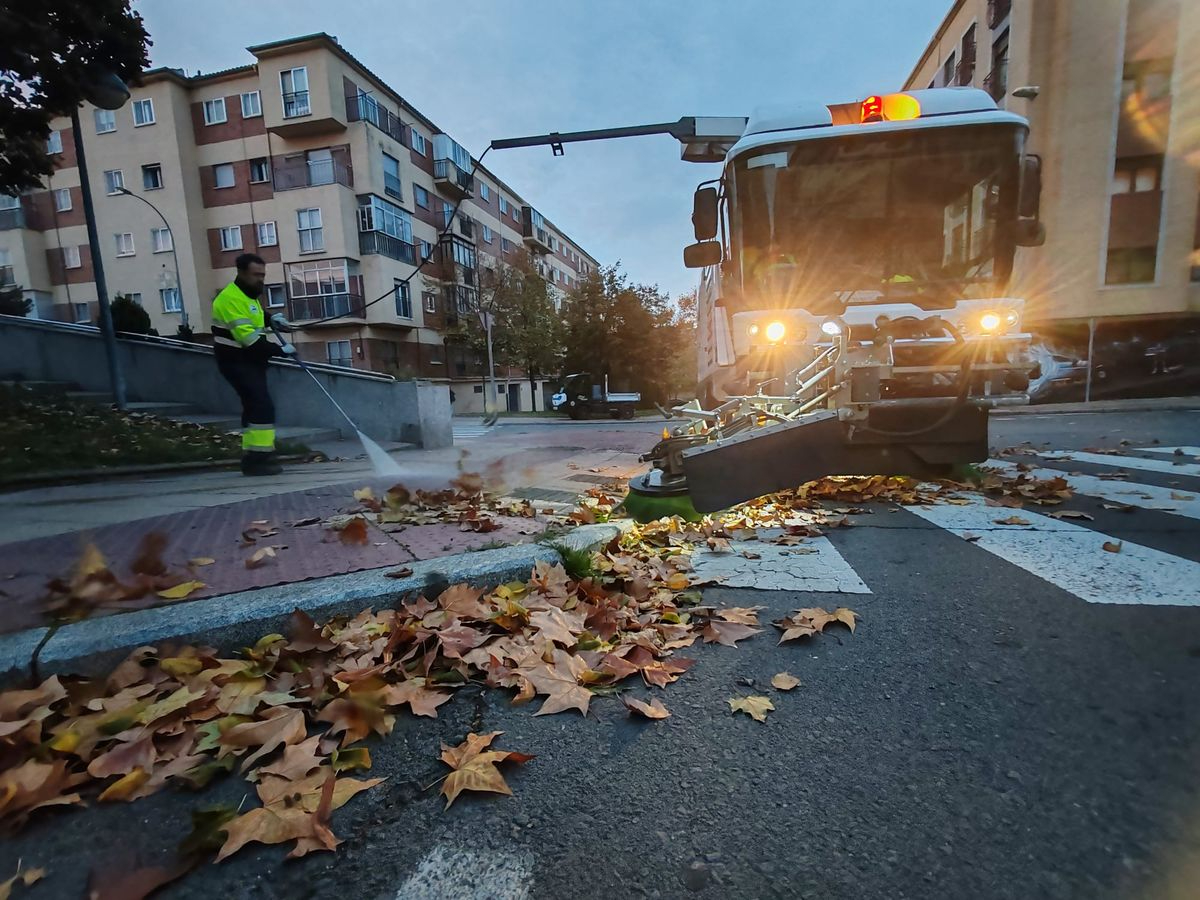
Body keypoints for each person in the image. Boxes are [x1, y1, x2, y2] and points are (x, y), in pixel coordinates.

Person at [211, 253, 296, 476]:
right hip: (236, 361)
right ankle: (261, 458)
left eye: (263, 275)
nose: (261, 280)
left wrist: (272, 320)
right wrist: (281, 351)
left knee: (253, 406)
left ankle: (252, 456)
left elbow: (254, 316)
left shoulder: (247, 295)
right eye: (256, 275)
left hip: (249, 362)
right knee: (261, 406)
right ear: (241, 273)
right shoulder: (229, 299)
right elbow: (249, 340)